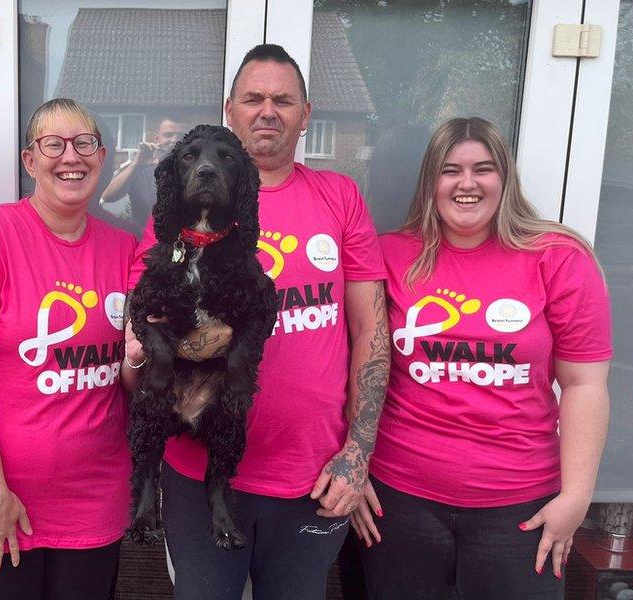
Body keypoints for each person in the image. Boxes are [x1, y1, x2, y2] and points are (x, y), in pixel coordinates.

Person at [124, 44, 390, 600]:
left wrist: (357, 452)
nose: (267, 111)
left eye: (283, 100)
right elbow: (143, 325)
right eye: (253, 98)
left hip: (313, 474)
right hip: (198, 471)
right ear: (231, 109)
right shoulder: (177, 222)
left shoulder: (340, 196)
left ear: (305, 115)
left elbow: (371, 329)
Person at [352, 117, 612, 599]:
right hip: (400, 500)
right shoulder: (390, 255)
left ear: (504, 179)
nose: (466, 183)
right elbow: (353, 363)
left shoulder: (559, 257)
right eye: (450, 170)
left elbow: (584, 385)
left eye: (483, 169)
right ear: (431, 181)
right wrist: (354, 463)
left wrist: (576, 498)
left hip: (520, 510)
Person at [0, 98, 138, 600]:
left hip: (94, 495)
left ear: (102, 157)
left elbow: (128, 378)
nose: (71, 156)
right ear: (30, 161)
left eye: (84, 143)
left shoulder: (124, 249)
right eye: (53, 145)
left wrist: (140, 360)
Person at [100, 115, 191, 234]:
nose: (174, 141)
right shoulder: (141, 169)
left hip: (185, 245)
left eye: (182, 136)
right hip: (145, 245)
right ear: (157, 139)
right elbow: (108, 197)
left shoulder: (197, 173)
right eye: (168, 135)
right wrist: (136, 163)